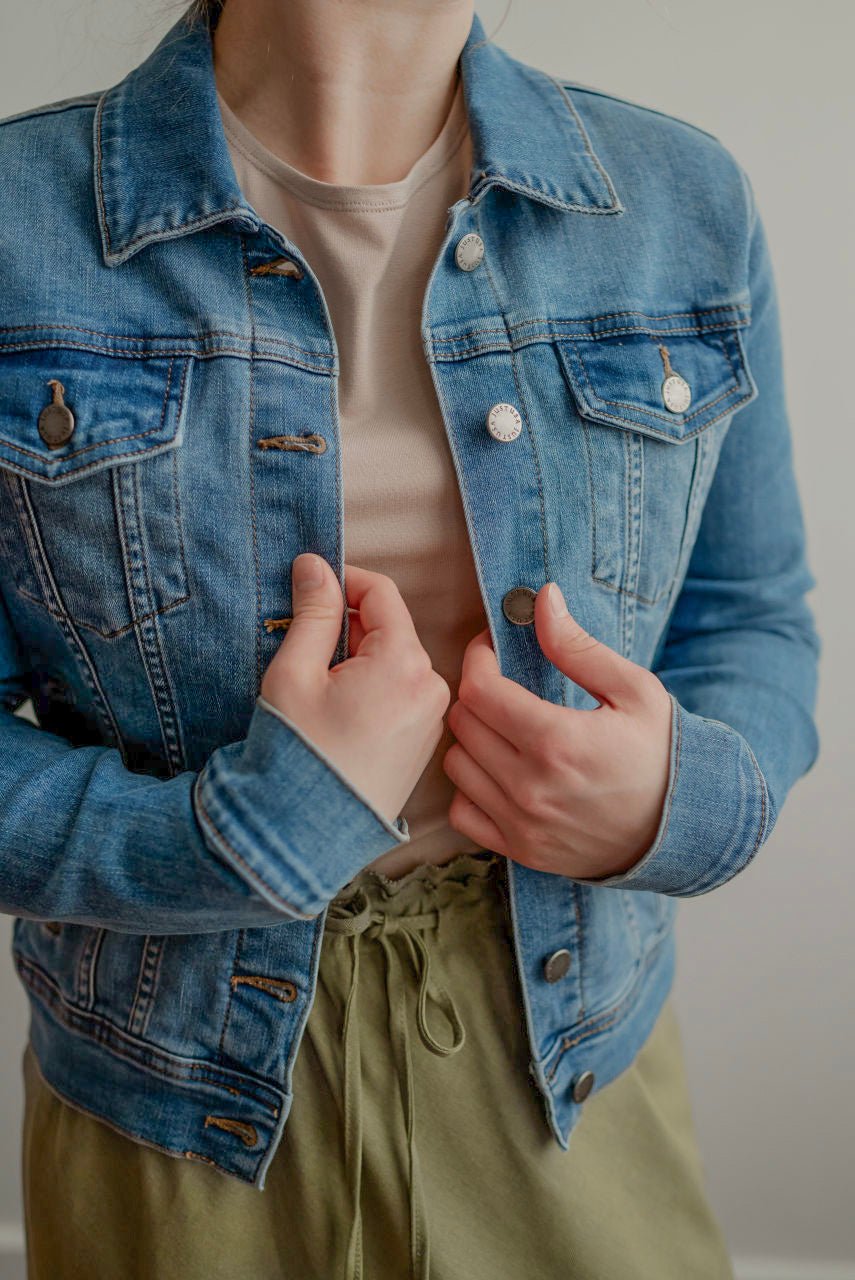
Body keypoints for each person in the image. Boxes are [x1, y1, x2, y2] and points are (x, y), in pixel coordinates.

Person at [1, 0, 819, 1276]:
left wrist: (674, 802)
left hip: (564, 1071)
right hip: (164, 1105)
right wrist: (247, 836)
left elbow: (755, 619)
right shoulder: (16, 221)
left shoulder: (682, 208)